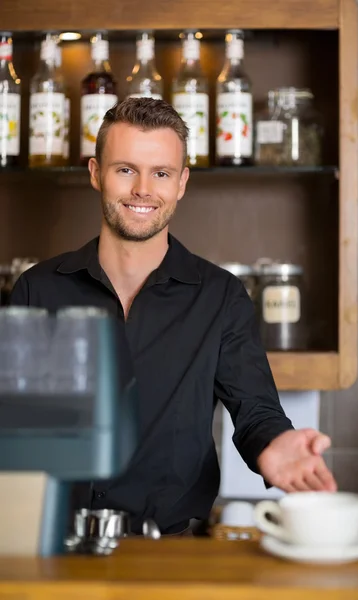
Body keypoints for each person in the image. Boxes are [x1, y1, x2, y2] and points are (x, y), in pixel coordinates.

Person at [11, 98, 336, 535]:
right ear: (95, 173)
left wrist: (275, 446)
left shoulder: (221, 297)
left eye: (160, 173)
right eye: (125, 169)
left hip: (169, 548)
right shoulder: (38, 287)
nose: (143, 188)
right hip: (53, 539)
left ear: (181, 182)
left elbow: (255, 410)